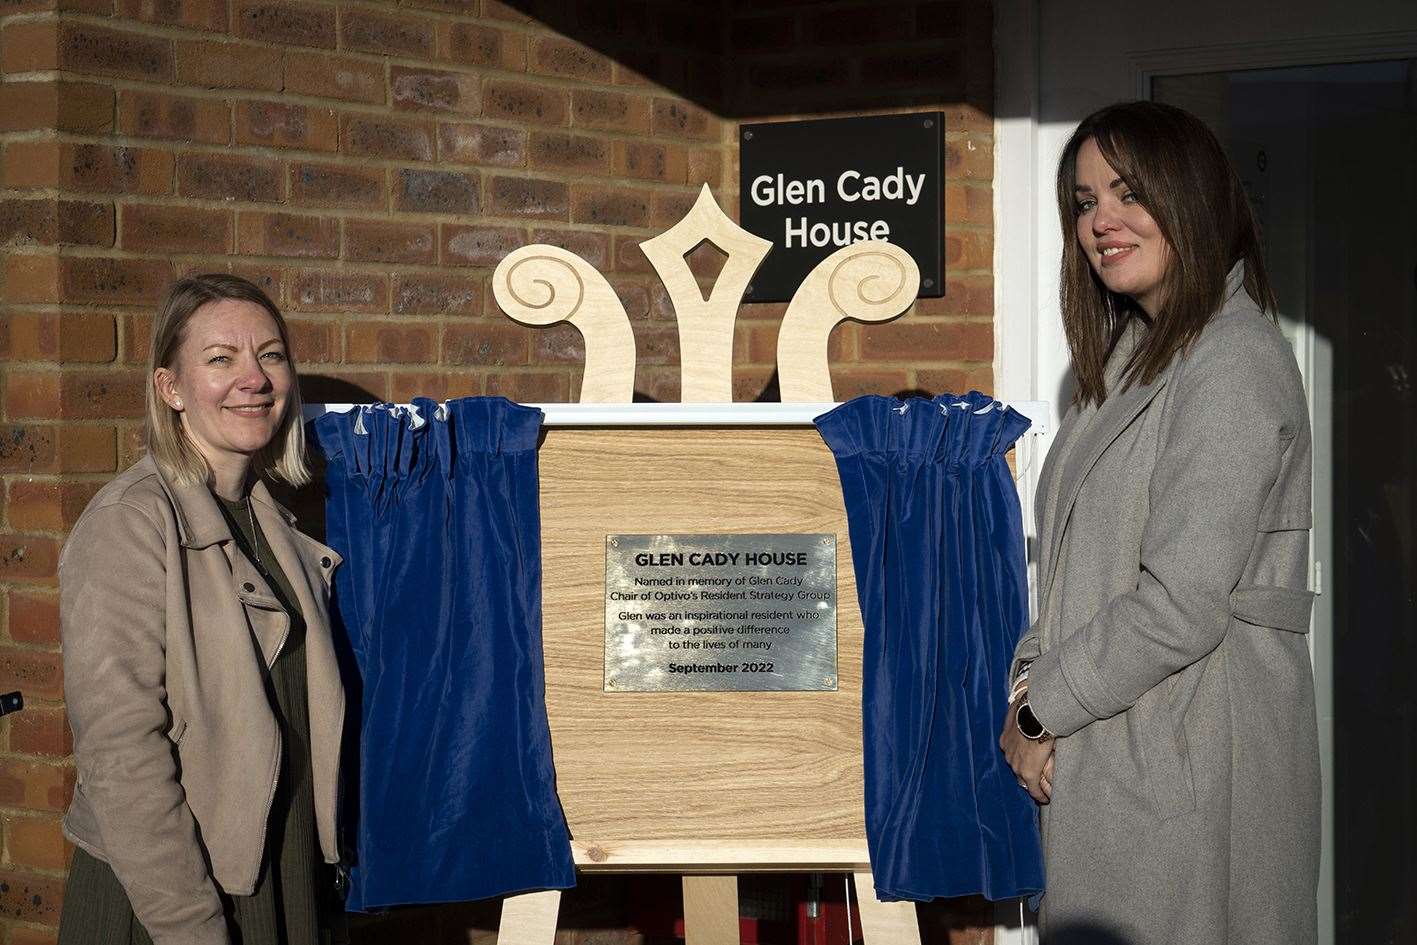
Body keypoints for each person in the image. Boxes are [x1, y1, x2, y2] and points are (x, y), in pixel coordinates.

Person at [999, 102, 1319, 944]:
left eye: (1127, 192)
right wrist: (1030, 686)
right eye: (1081, 200)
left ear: (1192, 199)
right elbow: (1074, 569)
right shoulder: (1134, 359)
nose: (1100, 220)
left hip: (1189, 762)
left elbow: (1182, 600)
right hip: (1122, 750)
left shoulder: (1230, 362)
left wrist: (1040, 711)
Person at [57, 274, 346, 945]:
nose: (255, 378)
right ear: (171, 388)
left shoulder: (277, 526)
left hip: (283, 879)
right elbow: (121, 754)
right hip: (175, 900)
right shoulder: (131, 523)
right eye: (221, 359)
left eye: (270, 355)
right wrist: (192, 928)